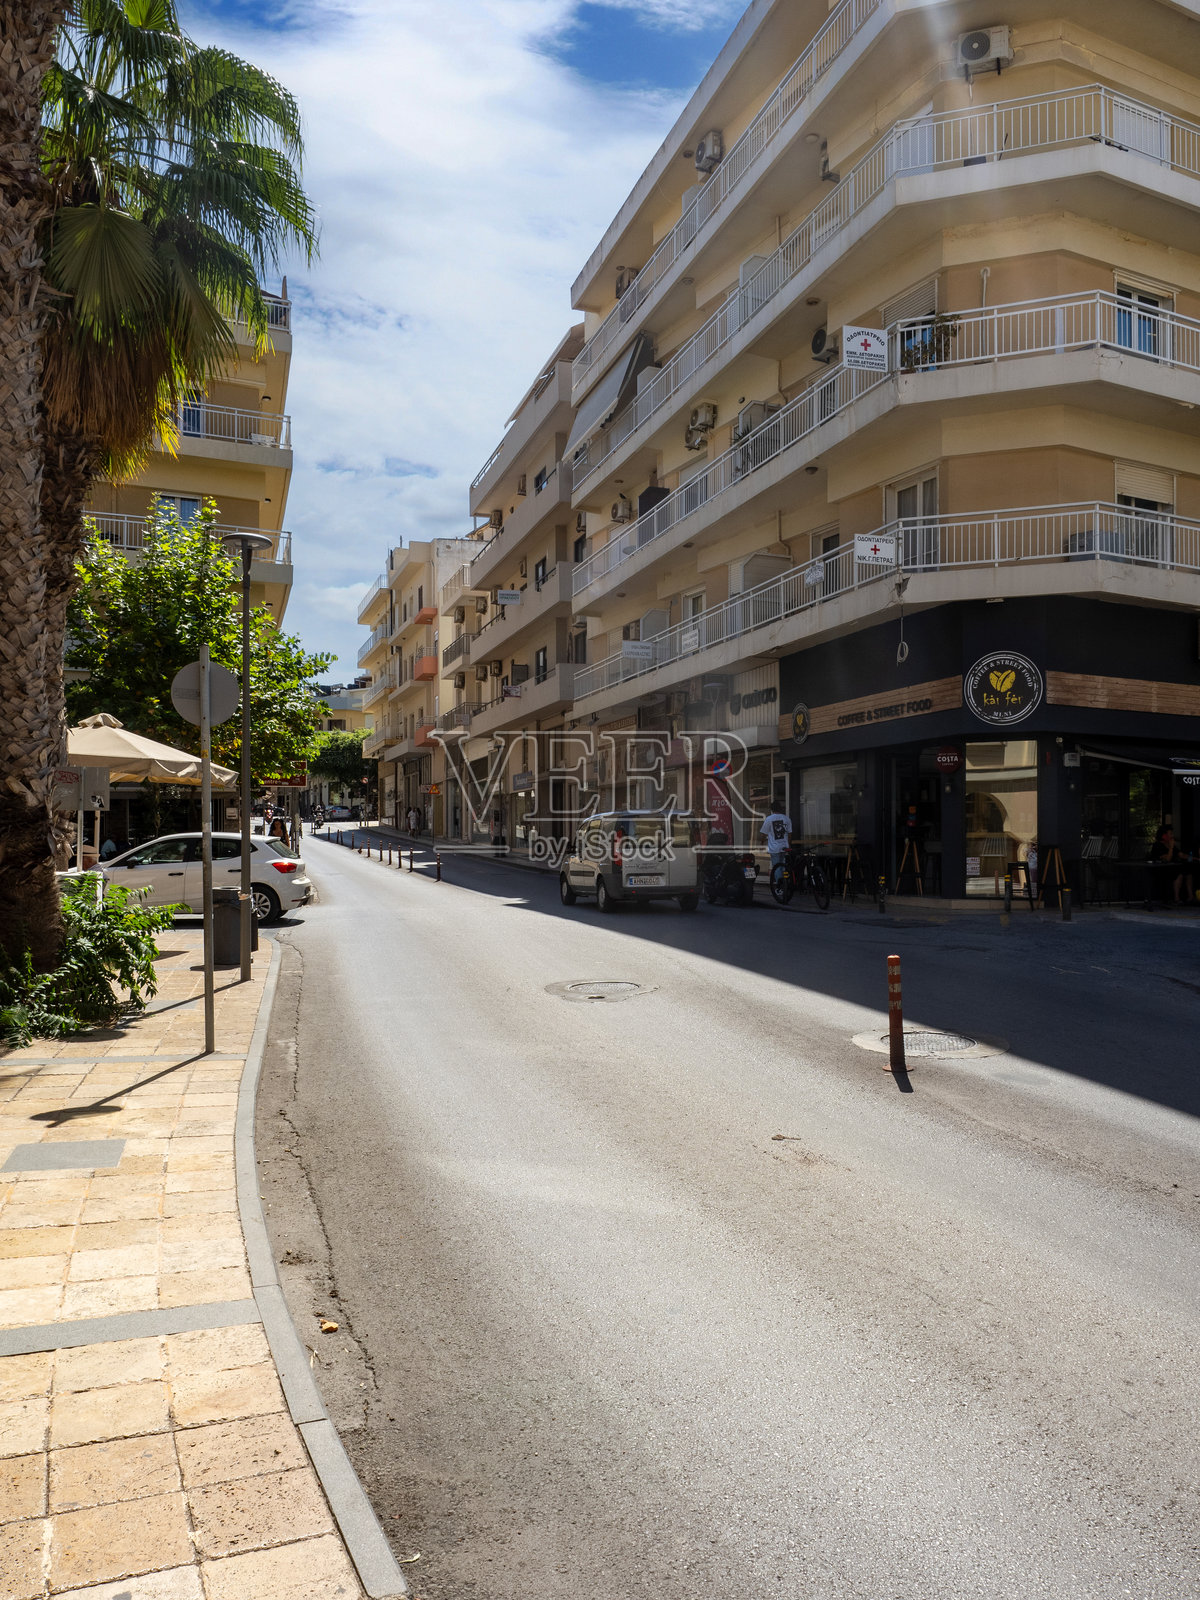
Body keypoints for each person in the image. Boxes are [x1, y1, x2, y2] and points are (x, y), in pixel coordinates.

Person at [1151, 825, 1193, 904]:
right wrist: (1171, 848)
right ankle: (1176, 898)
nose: (1172, 836)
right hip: (1161, 869)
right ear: (1164, 835)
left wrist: (1194, 858)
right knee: (1179, 874)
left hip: (1172, 867)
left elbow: (1181, 855)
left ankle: (1190, 897)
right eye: (1170, 834)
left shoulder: (1171, 845)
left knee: (1188, 873)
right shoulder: (1157, 845)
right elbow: (1167, 859)